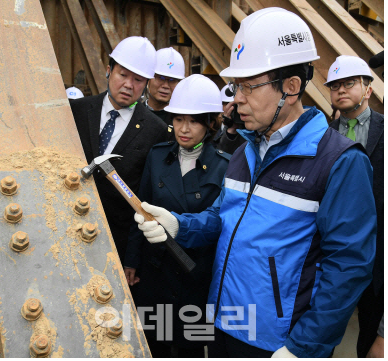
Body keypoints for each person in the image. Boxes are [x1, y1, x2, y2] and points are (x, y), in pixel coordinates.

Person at [132, 8, 376, 358]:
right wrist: (178, 225)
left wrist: (304, 346)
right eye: (236, 87)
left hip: (278, 341)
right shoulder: (243, 152)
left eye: (248, 86)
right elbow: (223, 218)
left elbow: (349, 267)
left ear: (291, 87)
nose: (236, 100)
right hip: (223, 321)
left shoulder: (340, 161)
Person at [124, 74, 230, 358]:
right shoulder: (157, 156)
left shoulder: (224, 167)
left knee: (190, 348)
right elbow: (141, 210)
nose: (184, 129)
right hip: (155, 268)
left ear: (209, 123)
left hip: (195, 273)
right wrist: (132, 260)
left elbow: (220, 225)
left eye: (194, 121)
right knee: (151, 343)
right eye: (178, 119)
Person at [69, 36, 169, 262]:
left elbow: (147, 197)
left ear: (145, 84)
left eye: (138, 80)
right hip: (67, 223)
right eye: (122, 75)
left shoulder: (156, 130)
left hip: (116, 240)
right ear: (108, 71)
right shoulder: (76, 111)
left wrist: (132, 257)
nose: (128, 85)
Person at [325, 55, 384, 358]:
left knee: (370, 336)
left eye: (349, 83)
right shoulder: (324, 135)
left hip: (376, 255)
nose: (341, 90)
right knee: (324, 328)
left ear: (368, 90)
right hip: (334, 251)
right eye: (335, 86)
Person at [144, 47, 185, 133]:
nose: (166, 86)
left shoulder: (182, 122)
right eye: (160, 78)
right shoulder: (133, 113)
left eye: (172, 80)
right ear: (148, 78)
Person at [213, 84, 246, 154]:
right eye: (227, 103)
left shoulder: (251, 129)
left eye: (236, 105)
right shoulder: (212, 130)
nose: (232, 109)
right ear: (221, 105)